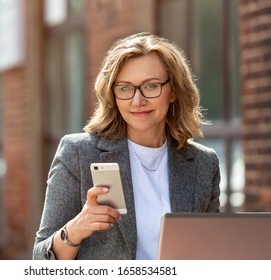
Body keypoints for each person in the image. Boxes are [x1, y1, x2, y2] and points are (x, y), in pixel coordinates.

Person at [33, 32, 220, 260]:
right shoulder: (79, 154)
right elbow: (40, 259)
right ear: (113, 95)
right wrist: (75, 229)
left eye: (151, 86)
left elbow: (211, 254)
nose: (137, 100)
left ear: (174, 92)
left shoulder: (203, 163)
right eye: (125, 88)